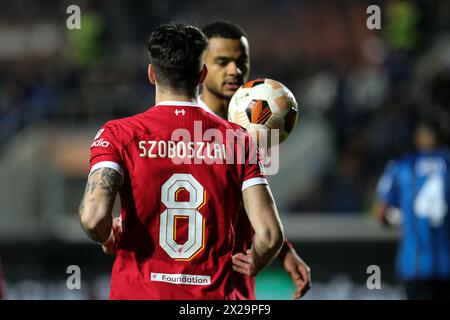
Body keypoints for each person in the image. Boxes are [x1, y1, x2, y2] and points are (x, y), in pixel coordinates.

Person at [79, 23, 284, 300]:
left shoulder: (119, 134)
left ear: (152, 74)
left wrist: (107, 236)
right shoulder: (239, 140)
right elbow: (270, 235)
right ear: (202, 74)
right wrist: (256, 261)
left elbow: (93, 218)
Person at [200, 21, 311, 300]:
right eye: (222, 62)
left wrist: (282, 250)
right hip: (191, 285)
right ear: (200, 67)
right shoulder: (182, 131)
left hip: (236, 287)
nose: (234, 71)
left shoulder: (250, 132)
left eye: (241, 62)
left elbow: (239, 207)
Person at [374, 117, 450, 299]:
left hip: (414, 264)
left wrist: (402, 218)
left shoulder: (402, 166)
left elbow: (381, 212)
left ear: (419, 137)